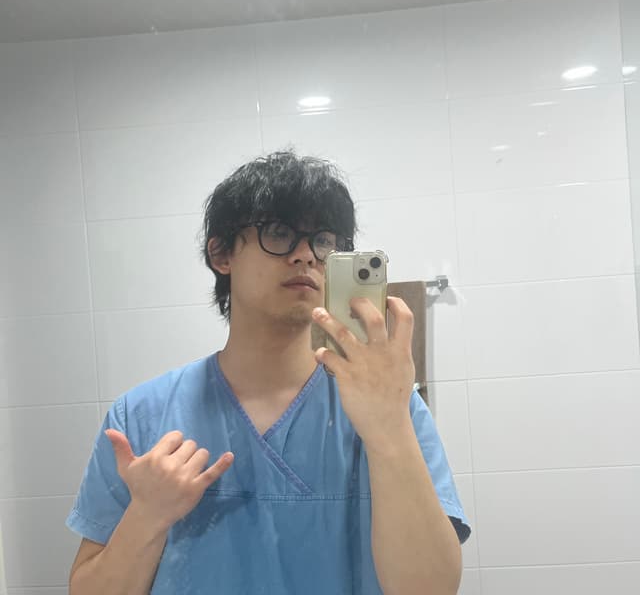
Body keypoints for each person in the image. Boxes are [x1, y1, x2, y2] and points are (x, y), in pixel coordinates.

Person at [66, 150, 471, 595]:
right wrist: (146, 517)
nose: (306, 256)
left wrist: (389, 431)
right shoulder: (142, 416)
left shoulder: (389, 403)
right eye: (279, 233)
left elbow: (430, 589)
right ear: (221, 254)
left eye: (323, 240)